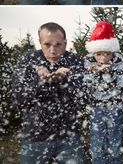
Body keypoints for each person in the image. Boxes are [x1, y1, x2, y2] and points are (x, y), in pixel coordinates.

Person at [12, 22, 85, 164]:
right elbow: (18, 98)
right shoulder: (28, 61)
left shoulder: (75, 60)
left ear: (65, 43)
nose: (53, 51)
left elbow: (81, 95)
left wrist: (63, 80)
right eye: (47, 44)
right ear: (40, 42)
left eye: (58, 44)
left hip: (69, 137)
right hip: (35, 137)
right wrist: (42, 82)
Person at [83, 21, 123, 163]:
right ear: (93, 52)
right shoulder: (88, 61)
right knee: (97, 139)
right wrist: (95, 74)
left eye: (107, 54)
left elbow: (122, 84)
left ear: (112, 52)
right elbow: (86, 86)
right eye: (99, 54)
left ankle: (115, 160)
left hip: (115, 106)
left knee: (115, 139)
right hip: (96, 107)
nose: (103, 58)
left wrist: (111, 72)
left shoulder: (118, 60)